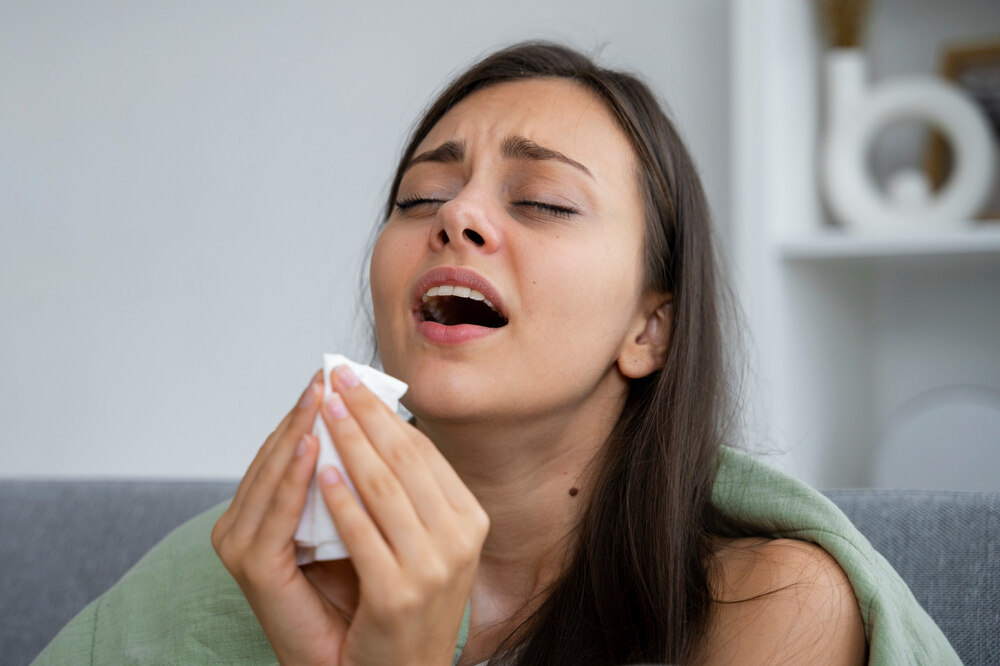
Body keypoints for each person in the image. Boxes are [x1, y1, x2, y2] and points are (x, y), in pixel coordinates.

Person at [33, 41, 959, 666]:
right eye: (417, 198)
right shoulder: (222, 578)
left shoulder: (772, 610)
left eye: (544, 202)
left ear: (651, 330)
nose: (457, 216)